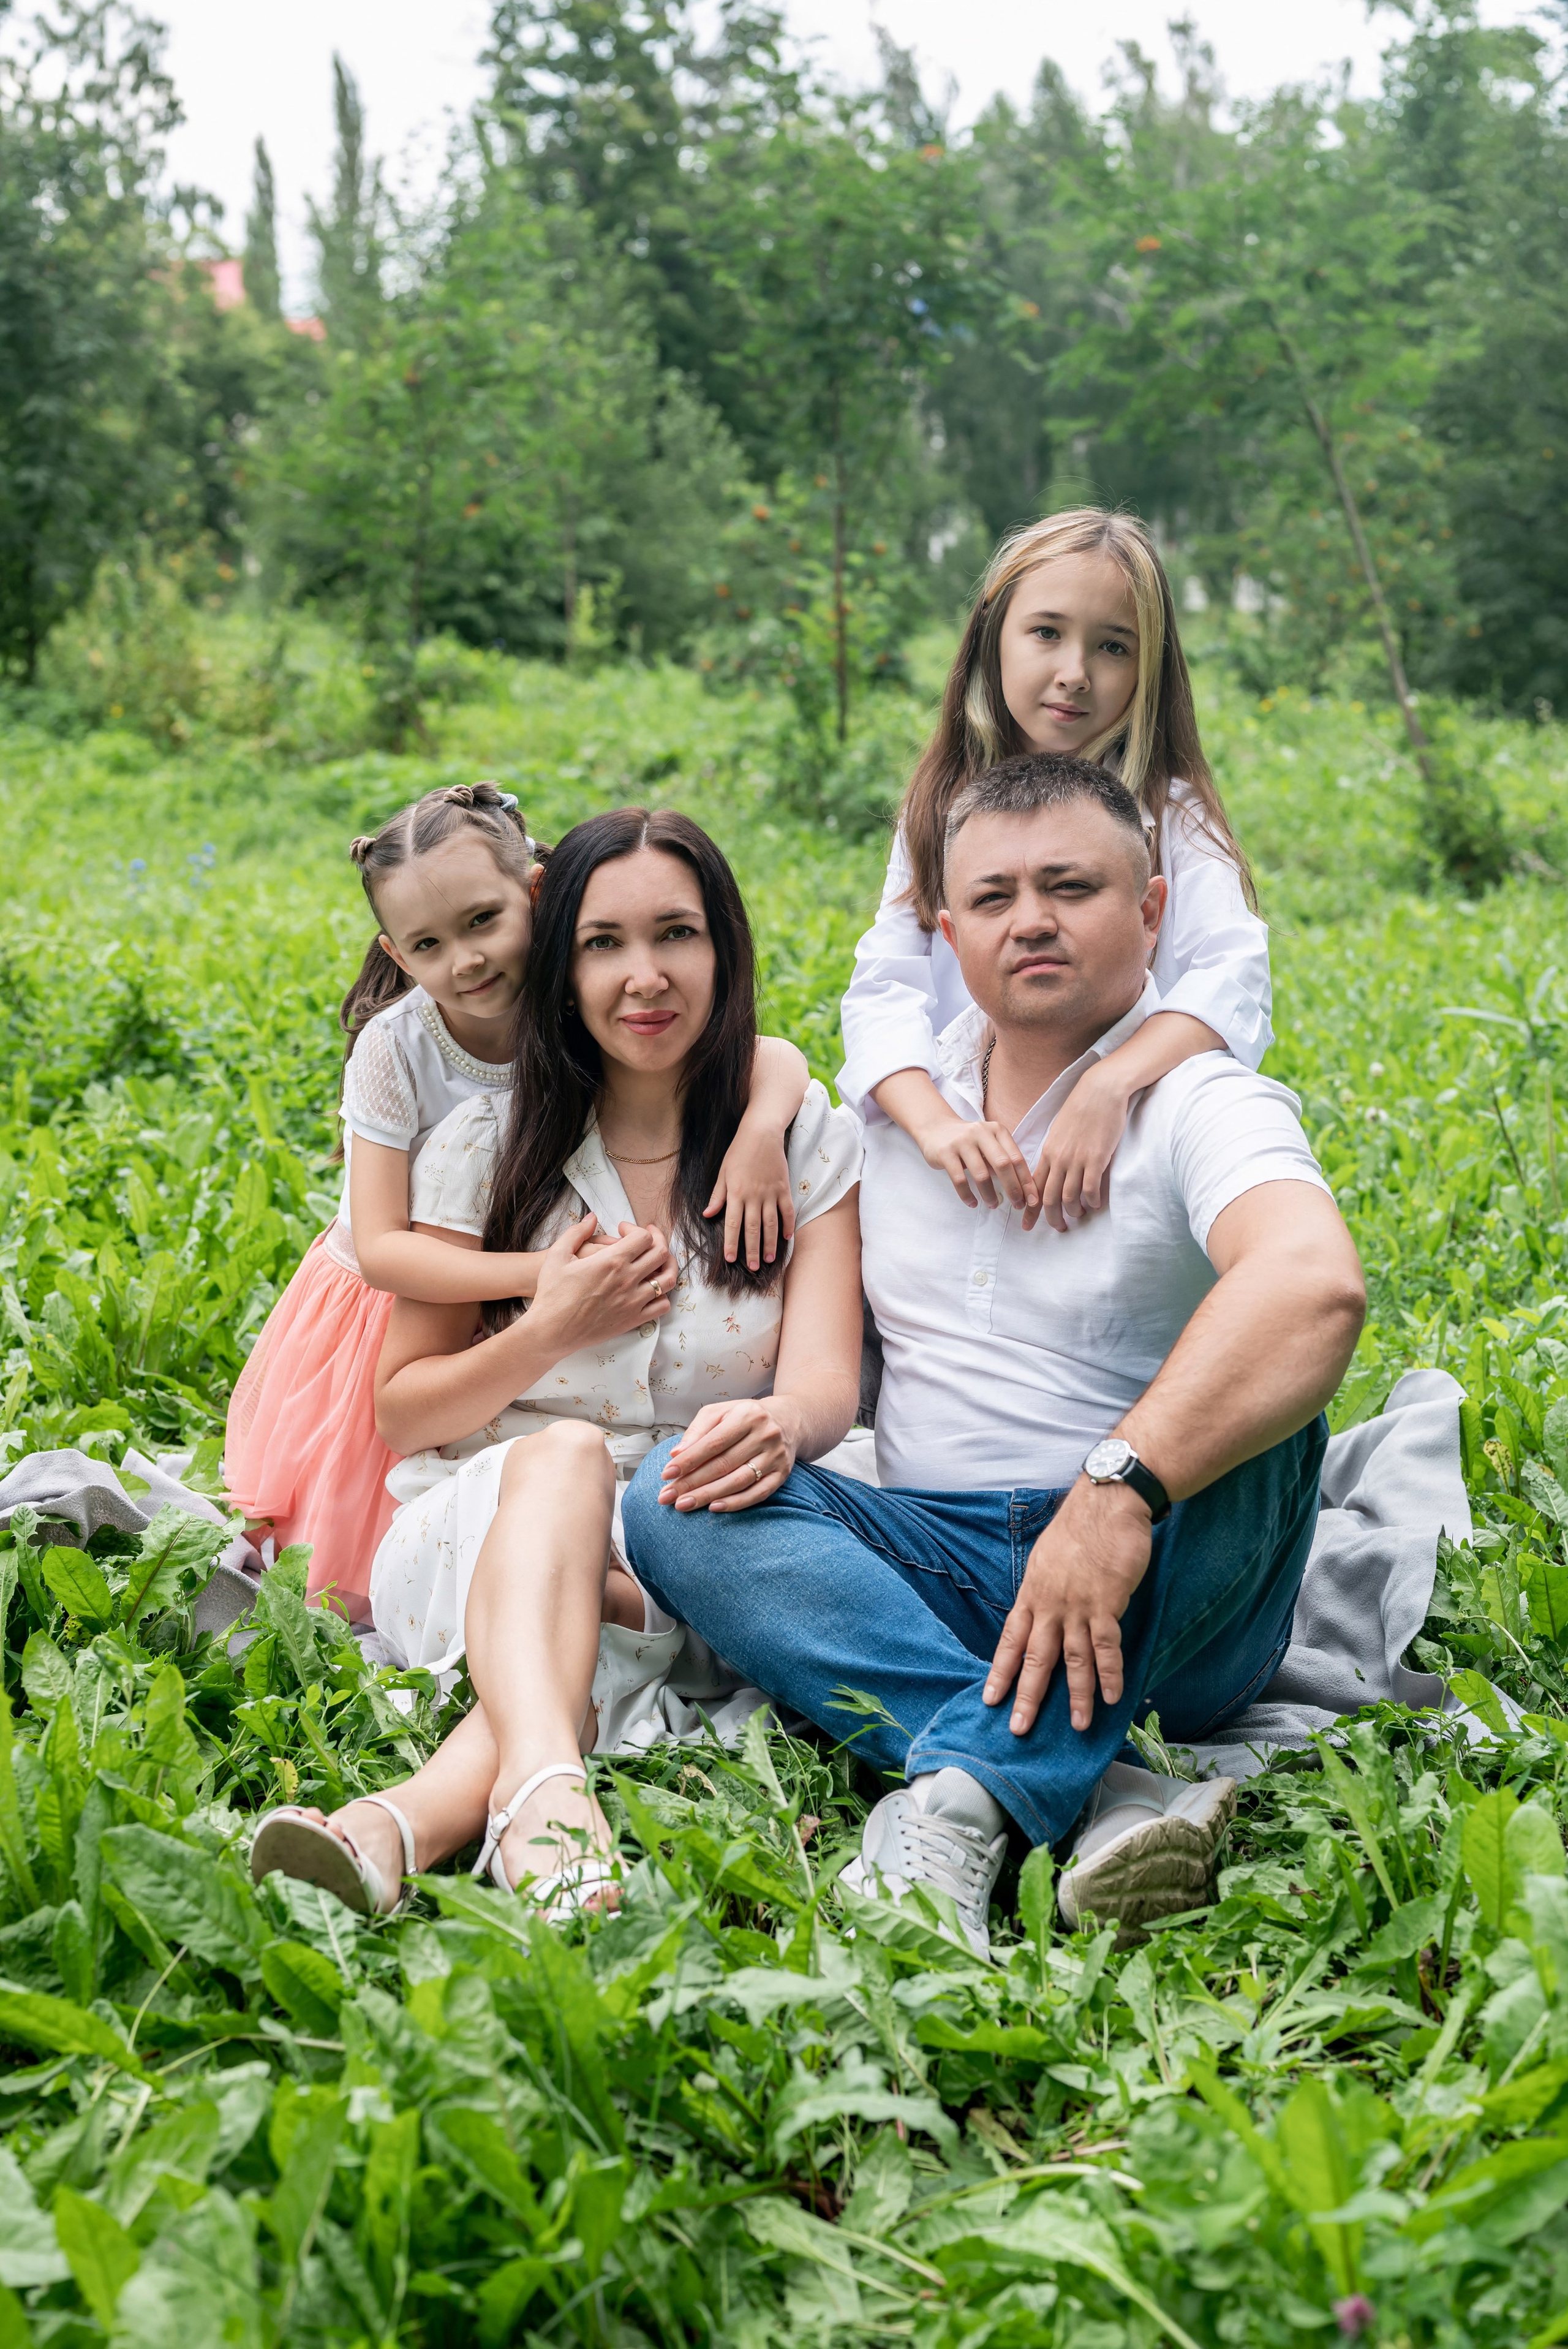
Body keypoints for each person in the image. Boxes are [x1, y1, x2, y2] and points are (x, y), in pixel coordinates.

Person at [624, 753, 1366, 1956]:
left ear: (1149, 910)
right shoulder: (893, 1122)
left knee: (1270, 1417)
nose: (1030, 920)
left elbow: (1313, 1284)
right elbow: (829, 1371)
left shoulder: (1204, 1101)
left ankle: (957, 1808)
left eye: (1069, 886)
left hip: (1161, 1581)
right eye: (993, 896)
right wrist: (781, 1426)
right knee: (672, 1493)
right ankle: (1102, 1783)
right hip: (944, 1571)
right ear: (946, 927)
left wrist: (1113, 1494)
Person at [249, 808, 862, 1919]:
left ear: (723, 945)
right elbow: (403, 1411)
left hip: (695, 1537)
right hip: (480, 1525)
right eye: (603, 943)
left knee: (599, 1593)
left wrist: (784, 1423)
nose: (644, 976)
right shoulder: (484, 1142)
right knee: (565, 1456)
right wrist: (549, 1325)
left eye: (676, 933)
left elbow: (826, 1384)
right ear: (561, 965)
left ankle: (407, 1824)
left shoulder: (797, 1140)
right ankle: (545, 1792)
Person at [224, 782, 812, 1622]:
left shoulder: (575, 991)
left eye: (482, 921)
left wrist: (760, 1129)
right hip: (399, 1283)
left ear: (537, 893)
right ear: (396, 953)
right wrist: (545, 1280)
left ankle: (588, 1599)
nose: (466, 961)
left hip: (499, 1257)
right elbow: (385, 1249)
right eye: (428, 944)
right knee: (359, 1510)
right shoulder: (399, 1045)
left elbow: (764, 1051)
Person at [839, 506, 1271, 1237]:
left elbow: (1232, 975)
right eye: (1046, 633)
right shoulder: (940, 806)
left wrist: (1110, 1083)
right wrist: (936, 1124)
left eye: (1112, 647)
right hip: (961, 1146)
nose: (1074, 674)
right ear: (992, 637)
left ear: (1148, 667)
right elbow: (885, 986)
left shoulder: (1170, 812)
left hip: (1116, 1152)